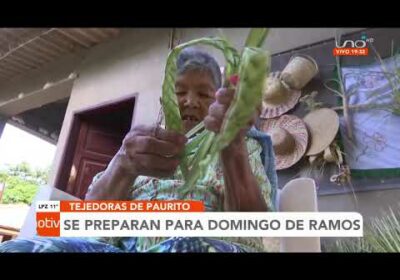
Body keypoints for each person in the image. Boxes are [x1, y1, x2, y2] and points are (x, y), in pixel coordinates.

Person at [0, 48, 277, 253]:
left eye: (204, 94)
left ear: (219, 100)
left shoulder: (242, 144)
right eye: (180, 92)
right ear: (164, 97)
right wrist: (123, 164)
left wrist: (231, 146)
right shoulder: (140, 146)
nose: (191, 101)